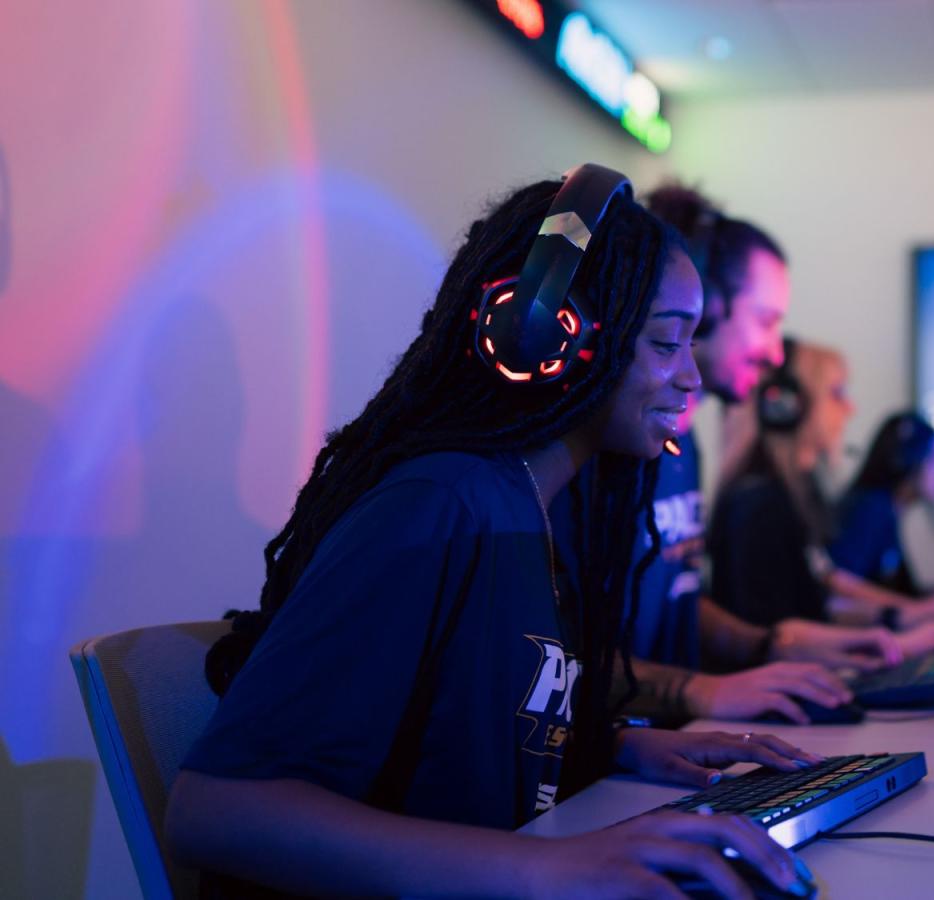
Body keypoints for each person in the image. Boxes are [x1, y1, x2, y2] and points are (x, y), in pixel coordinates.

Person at [166, 167, 817, 899]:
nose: (692, 378)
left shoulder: (531, 513)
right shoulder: (440, 507)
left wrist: (616, 749)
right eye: (668, 344)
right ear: (548, 334)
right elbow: (213, 810)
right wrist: (550, 867)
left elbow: (452, 745)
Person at [574, 185, 920, 728]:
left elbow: (675, 599)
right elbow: (554, 660)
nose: (777, 351)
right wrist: (699, 690)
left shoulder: (684, 446)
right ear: (708, 306)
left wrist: (770, 645)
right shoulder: (601, 453)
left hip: (672, 749)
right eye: (766, 319)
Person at [708, 339, 934, 647]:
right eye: (837, 393)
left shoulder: (796, 495)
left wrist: (900, 619)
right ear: (786, 407)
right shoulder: (759, 504)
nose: (850, 408)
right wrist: (899, 644)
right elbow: (777, 638)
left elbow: (817, 607)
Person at [830, 412, 934, 616]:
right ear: (908, 461)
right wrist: (919, 609)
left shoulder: (887, 510)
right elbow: (838, 583)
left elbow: (899, 591)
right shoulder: (872, 508)